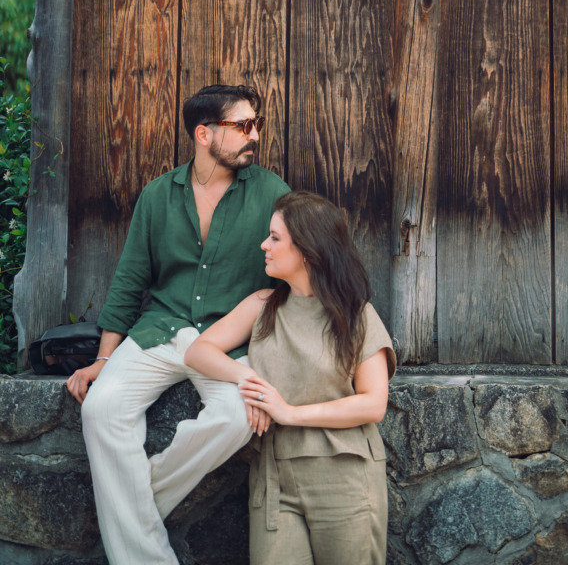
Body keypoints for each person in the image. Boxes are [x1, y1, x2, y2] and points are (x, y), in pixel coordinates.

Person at [65, 84, 290, 565]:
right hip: (160, 330)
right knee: (100, 410)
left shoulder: (273, 194)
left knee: (236, 417)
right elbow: (130, 280)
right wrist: (104, 358)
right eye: (242, 126)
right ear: (204, 134)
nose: (254, 136)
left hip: (226, 341)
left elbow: (294, 275)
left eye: (257, 125)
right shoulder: (158, 195)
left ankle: (133, 506)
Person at [184, 190, 396, 565]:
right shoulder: (262, 306)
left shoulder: (356, 315)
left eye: (275, 238)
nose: (264, 244)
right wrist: (250, 380)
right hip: (274, 479)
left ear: (307, 250)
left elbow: (373, 403)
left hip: (344, 476)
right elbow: (199, 352)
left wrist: (290, 413)